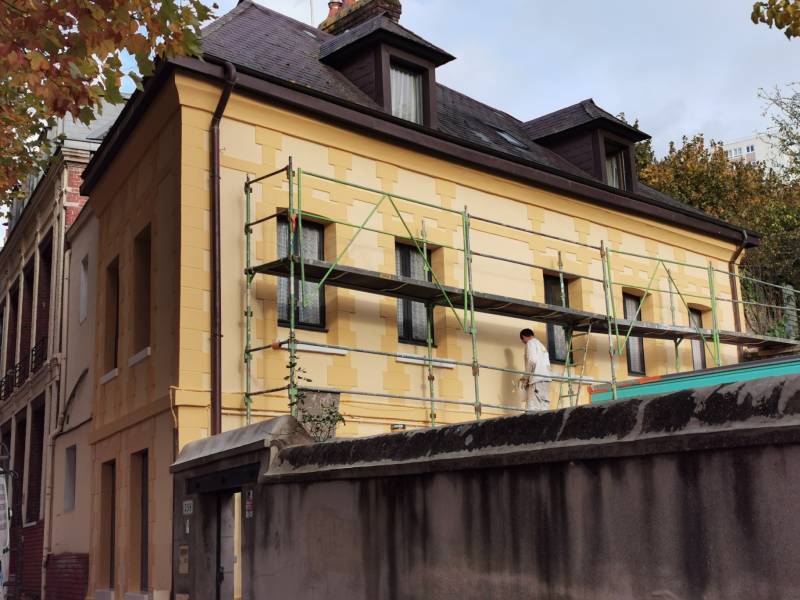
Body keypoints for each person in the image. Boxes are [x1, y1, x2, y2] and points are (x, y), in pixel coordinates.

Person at [519, 328, 551, 411]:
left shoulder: (530, 343)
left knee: (532, 407)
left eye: (523, 340)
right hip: (546, 379)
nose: (524, 342)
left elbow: (532, 361)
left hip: (536, 379)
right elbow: (547, 365)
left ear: (524, 337)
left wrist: (526, 378)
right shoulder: (541, 346)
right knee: (543, 406)